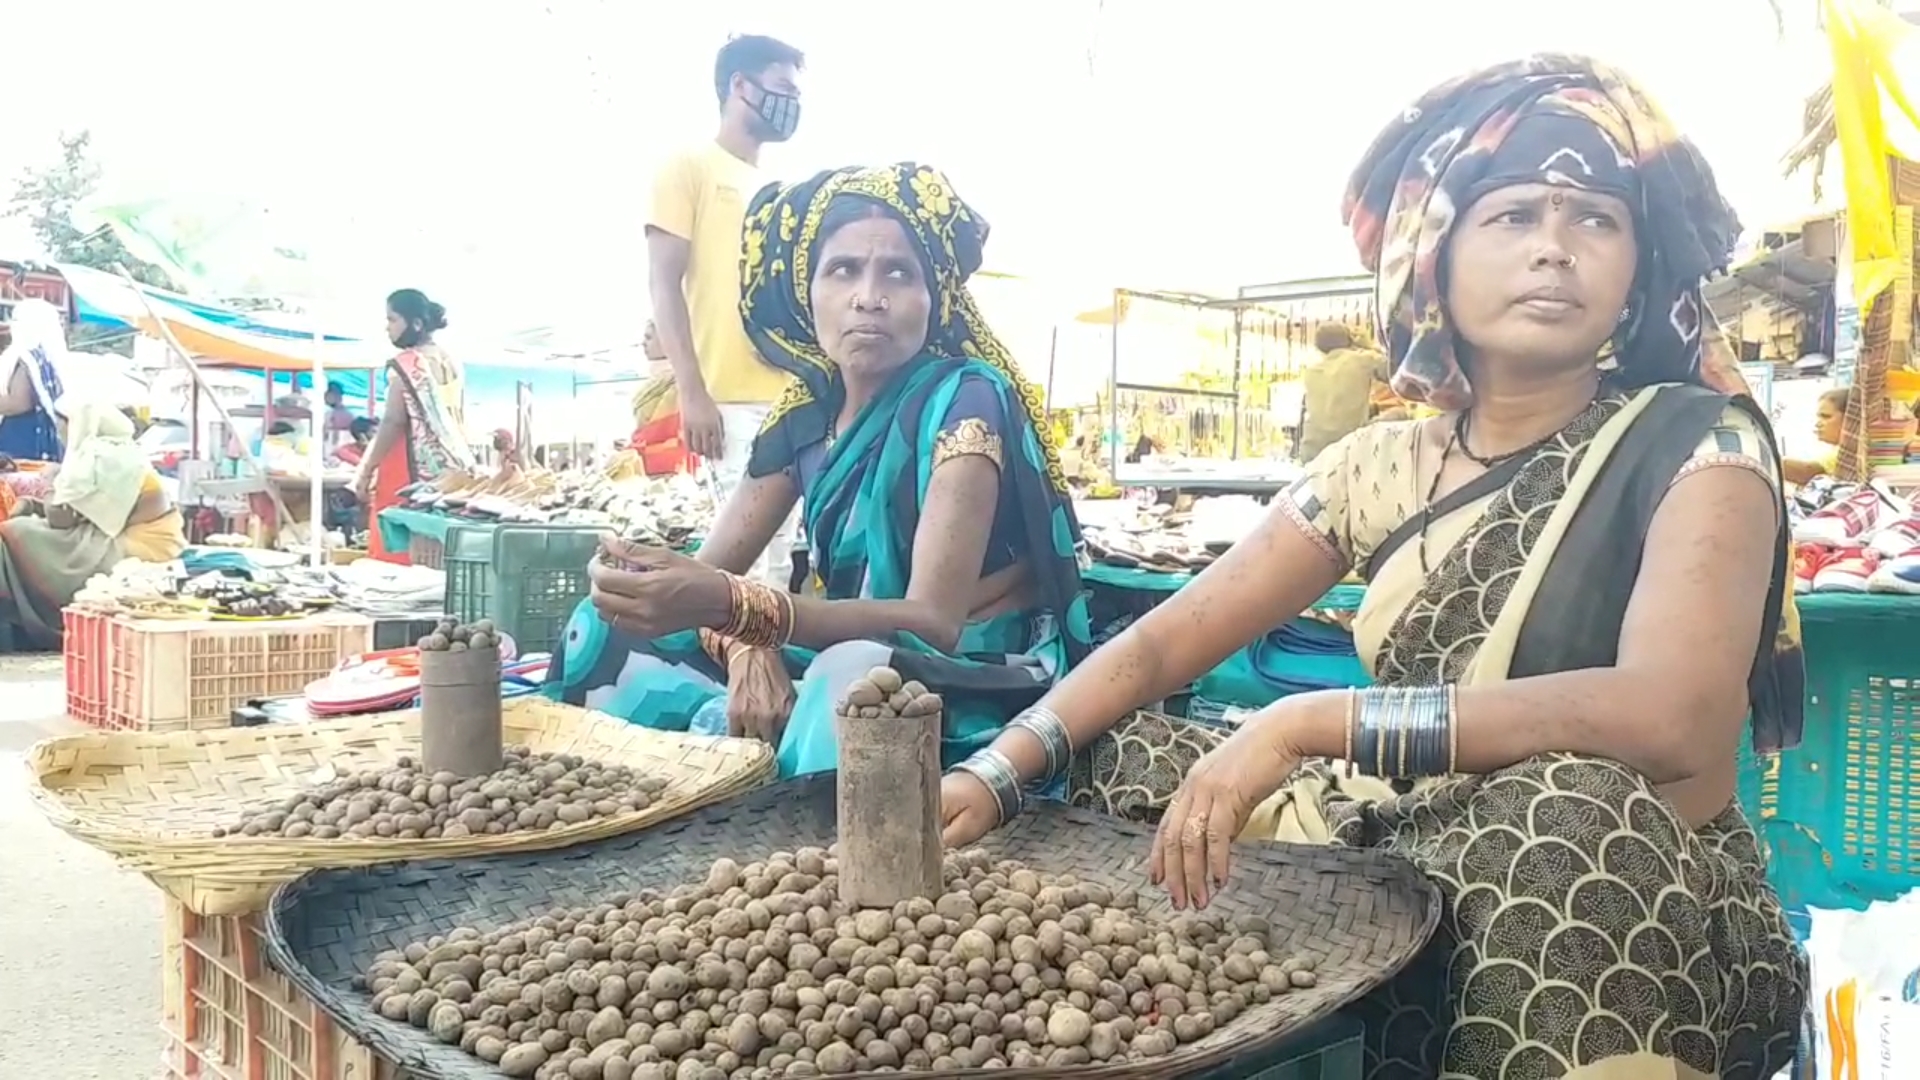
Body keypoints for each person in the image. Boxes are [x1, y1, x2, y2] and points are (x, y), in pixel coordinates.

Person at [939, 57, 1807, 1080]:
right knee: (1116, 757)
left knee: (1570, 808)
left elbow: (1675, 722)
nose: (1557, 251)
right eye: (1515, 215)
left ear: (1636, 269)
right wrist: (998, 770)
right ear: (1433, 255)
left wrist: (1309, 723)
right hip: (1407, 832)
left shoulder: (1699, 445)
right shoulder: (1380, 465)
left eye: (1597, 222)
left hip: (1609, 882)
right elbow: (1169, 638)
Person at [554, 163, 1091, 779]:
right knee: (602, 623)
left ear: (933, 297)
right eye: (843, 270)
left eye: (898, 272)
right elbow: (711, 575)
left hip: (966, 671)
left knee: (852, 681)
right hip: (836, 639)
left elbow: (933, 622)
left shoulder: (964, 396)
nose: (869, 296)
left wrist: (745, 612)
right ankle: (702, 774)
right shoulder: (806, 412)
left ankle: (772, 798)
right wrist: (741, 642)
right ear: (805, 292)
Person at [648, 34, 806, 587]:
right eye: (783, 87)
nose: (793, 102)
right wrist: (691, 391)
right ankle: (743, 673)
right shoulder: (690, 167)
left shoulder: (783, 188)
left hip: (793, 399)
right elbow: (664, 285)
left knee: (781, 565)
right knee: (745, 568)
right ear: (740, 85)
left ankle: (770, 673)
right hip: (728, 402)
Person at [0, 399, 186, 647]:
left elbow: (61, 518)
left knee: (15, 532)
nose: (60, 434)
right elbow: (83, 513)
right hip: (135, 537)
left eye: (63, 426)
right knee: (23, 527)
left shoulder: (98, 457)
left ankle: (34, 617)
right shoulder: (121, 451)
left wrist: (50, 483)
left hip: (136, 548)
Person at [353, 289, 473, 563]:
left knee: (401, 551)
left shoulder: (406, 364)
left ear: (416, 323)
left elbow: (393, 420)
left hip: (407, 470)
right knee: (438, 555)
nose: (387, 327)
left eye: (392, 319)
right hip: (453, 471)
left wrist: (366, 470)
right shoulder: (452, 361)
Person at [1298, 322, 1391, 462]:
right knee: (1400, 414)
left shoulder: (1311, 372)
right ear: (1350, 339)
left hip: (1311, 452)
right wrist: (1370, 346)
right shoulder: (1362, 359)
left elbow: (1334, 410)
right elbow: (1396, 370)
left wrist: (1371, 409)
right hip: (1350, 448)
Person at [0, 298, 69, 463]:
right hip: (43, 437)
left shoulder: (29, 358)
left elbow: (18, 403)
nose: (12, 325)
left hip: (22, 438)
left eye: (17, 320)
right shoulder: (51, 357)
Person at [1783, 386, 1850, 484]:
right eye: (1819, 417)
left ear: (1849, 419)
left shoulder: (1849, 453)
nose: (1818, 424)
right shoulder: (1837, 450)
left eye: (1826, 416)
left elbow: (1805, 473)